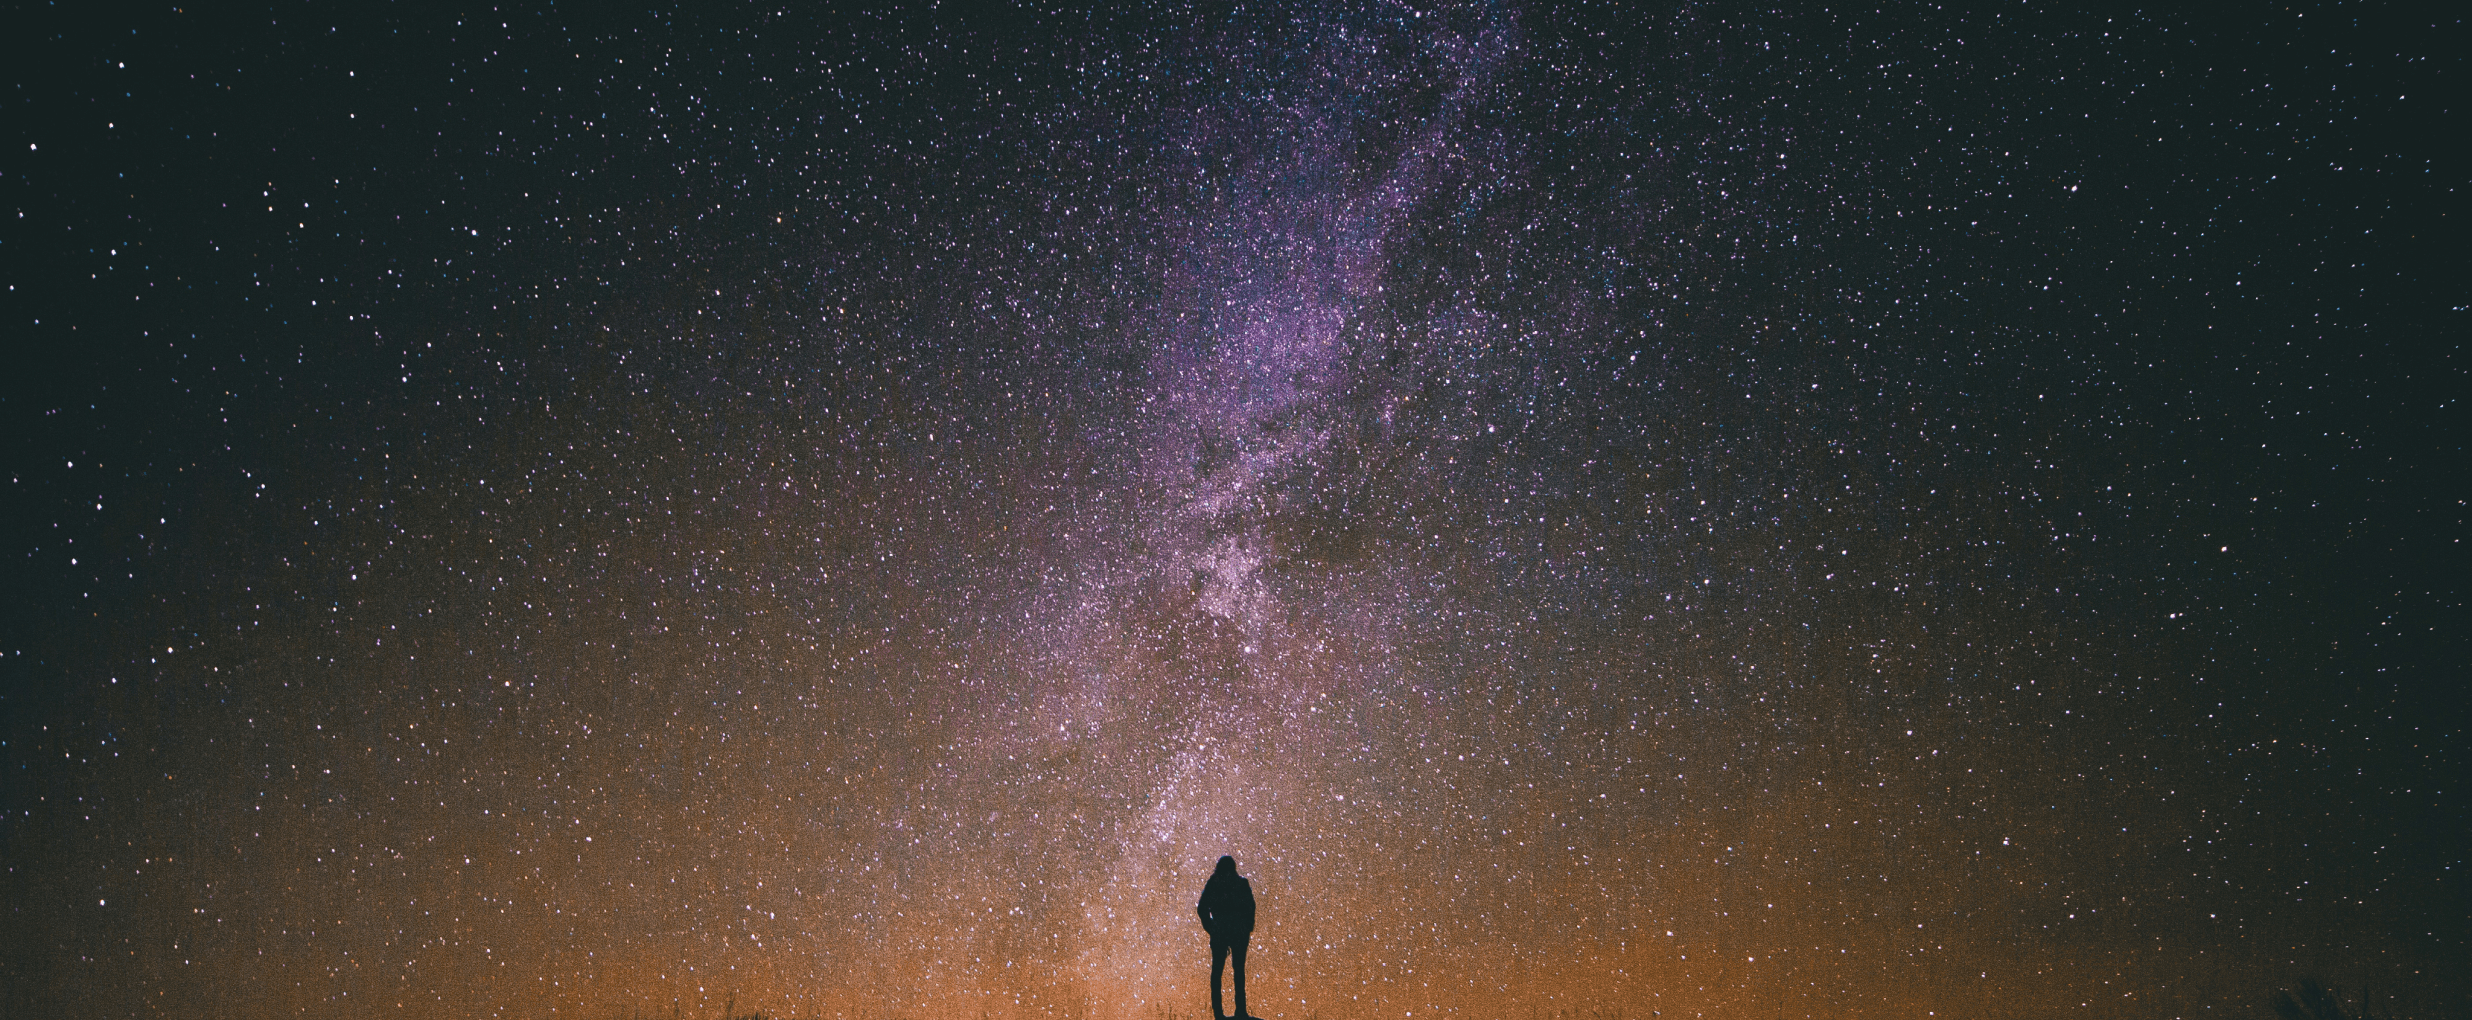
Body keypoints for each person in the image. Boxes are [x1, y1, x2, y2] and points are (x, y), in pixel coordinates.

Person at [1196, 855, 1256, 1020]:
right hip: (1233, 933)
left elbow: (1202, 908)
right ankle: (1238, 1012)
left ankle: (1221, 1013)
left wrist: (1212, 928)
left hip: (1225, 932)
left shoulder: (1214, 884)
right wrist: (1245, 929)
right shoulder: (1240, 883)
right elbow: (1250, 908)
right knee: (1235, 972)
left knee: (1219, 972)